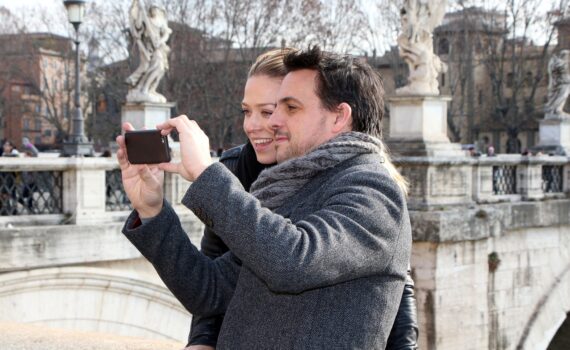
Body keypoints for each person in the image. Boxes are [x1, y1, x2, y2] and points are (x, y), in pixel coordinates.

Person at [118, 46, 412, 349]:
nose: (273, 122)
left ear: (339, 117)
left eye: (290, 108)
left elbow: (294, 260)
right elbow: (209, 291)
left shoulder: (373, 188)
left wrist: (208, 174)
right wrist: (152, 208)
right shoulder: (290, 188)